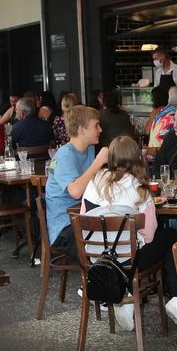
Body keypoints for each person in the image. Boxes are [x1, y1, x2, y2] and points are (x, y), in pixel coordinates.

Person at [81, 135, 177, 329]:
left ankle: (123, 291)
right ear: (137, 158)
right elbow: (149, 235)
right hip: (129, 261)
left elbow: (85, 221)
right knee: (170, 236)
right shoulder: (140, 189)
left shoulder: (94, 182)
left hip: (95, 258)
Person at [44, 106, 108, 258]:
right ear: (81, 129)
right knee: (114, 236)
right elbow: (75, 192)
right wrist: (98, 163)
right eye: (96, 126)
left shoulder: (89, 149)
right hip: (65, 229)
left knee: (119, 230)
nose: (100, 129)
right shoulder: (64, 156)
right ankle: (105, 278)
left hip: (83, 217)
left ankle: (112, 277)